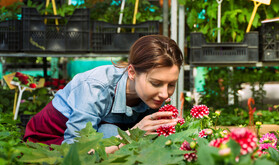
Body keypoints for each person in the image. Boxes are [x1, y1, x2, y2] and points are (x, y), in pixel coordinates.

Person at [24, 35, 183, 153]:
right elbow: (74, 152)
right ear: (132, 72)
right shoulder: (96, 87)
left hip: (98, 140)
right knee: (109, 132)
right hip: (50, 142)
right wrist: (133, 135)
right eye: (156, 83)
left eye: (171, 84)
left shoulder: (154, 95)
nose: (164, 94)